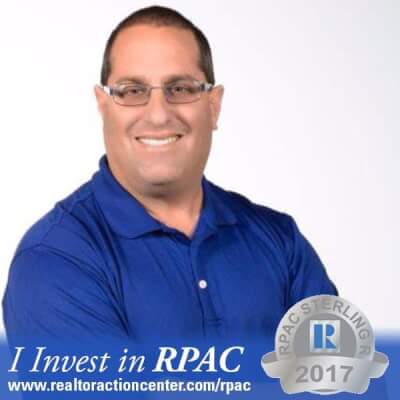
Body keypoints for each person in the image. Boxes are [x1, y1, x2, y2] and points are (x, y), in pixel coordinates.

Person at [2, 6, 337, 343]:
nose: (159, 115)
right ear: (103, 106)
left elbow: (339, 371)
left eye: (181, 89)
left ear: (213, 105)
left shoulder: (280, 241)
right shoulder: (54, 259)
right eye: (132, 91)